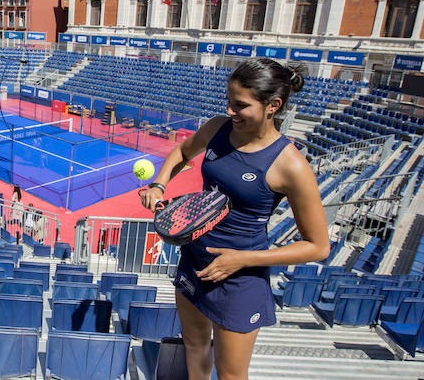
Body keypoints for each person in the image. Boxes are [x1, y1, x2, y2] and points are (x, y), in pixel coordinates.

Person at [139, 58, 329, 380]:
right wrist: (159, 185)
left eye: (240, 105)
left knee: (231, 376)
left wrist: (241, 260)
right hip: (194, 261)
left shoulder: (291, 165)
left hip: (241, 279)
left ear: (273, 106)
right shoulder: (217, 128)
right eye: (228, 101)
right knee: (195, 350)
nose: (230, 111)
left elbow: (318, 247)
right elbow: (183, 153)